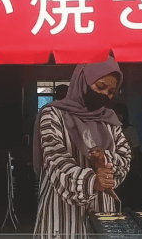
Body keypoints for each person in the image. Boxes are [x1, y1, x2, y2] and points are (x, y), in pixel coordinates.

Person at [33, 56, 131, 238]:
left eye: (111, 92)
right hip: (62, 218)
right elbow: (56, 161)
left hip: (103, 218)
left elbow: (125, 157)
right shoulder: (52, 115)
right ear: (82, 80)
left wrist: (105, 161)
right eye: (100, 87)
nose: (105, 96)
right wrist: (92, 181)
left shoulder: (109, 119)